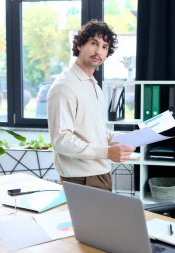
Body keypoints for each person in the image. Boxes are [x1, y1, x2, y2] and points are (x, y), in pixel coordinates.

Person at [47, 19, 135, 191]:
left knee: (104, 219)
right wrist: (107, 152)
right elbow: (61, 140)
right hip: (81, 178)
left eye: (104, 46)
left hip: (100, 172)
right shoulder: (64, 86)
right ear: (80, 45)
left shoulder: (93, 84)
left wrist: (121, 138)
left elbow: (94, 130)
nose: (98, 51)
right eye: (94, 43)